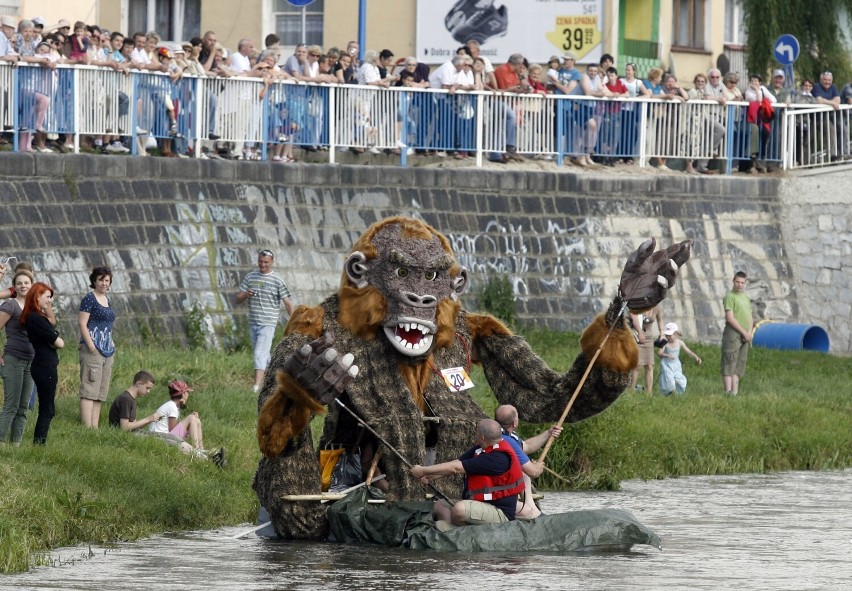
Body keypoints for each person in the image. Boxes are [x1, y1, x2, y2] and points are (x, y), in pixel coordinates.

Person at [410, 419, 525, 529]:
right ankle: (451, 533)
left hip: (499, 512)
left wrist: (423, 470)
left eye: (476, 433)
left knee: (459, 509)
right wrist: (431, 476)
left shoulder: (498, 459)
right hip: (481, 504)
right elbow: (456, 463)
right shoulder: (481, 448)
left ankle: (458, 531)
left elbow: (456, 469)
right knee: (440, 505)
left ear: (482, 437)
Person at [236, 249, 294, 393]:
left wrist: (294, 320)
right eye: (260, 261)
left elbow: (287, 302)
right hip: (253, 323)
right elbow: (237, 299)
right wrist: (245, 294)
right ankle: (279, 379)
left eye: (266, 262)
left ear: (272, 262)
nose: (262, 265)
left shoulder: (277, 280)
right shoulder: (250, 277)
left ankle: (256, 387)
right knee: (265, 356)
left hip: (268, 323)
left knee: (259, 354)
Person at [494, 404, 563, 519]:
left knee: (523, 474)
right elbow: (533, 472)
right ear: (514, 423)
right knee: (525, 472)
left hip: (498, 487)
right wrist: (537, 467)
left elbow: (527, 446)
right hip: (498, 494)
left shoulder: (502, 435)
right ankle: (534, 513)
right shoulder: (507, 441)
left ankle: (533, 509)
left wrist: (548, 433)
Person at [21, 282, 64, 445]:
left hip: (42, 365)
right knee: (47, 409)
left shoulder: (34, 317)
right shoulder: (36, 318)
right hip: (45, 367)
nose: (49, 301)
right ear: (37, 297)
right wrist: (56, 338)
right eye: (47, 297)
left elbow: (52, 337)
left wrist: (54, 337)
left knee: (47, 408)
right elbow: (59, 343)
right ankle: (38, 444)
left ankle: (39, 443)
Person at [148, 380, 225, 466]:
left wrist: (188, 426)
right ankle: (198, 451)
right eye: (187, 392)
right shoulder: (172, 406)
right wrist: (188, 426)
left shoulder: (172, 405)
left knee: (196, 420)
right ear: (183, 394)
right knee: (192, 418)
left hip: (163, 435)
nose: (188, 395)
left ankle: (201, 450)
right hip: (162, 437)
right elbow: (172, 430)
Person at [78, 265, 116, 428]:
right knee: (89, 388)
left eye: (107, 280)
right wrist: (91, 346)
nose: (104, 283)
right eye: (101, 280)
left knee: (101, 390)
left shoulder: (107, 300)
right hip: (92, 348)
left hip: (108, 349)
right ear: (94, 280)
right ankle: (87, 427)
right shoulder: (89, 299)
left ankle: (95, 426)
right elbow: (82, 323)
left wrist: (112, 342)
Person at [0, 268, 35, 446]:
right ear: (14, 287)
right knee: (11, 405)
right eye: (19, 283)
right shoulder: (10, 306)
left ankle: (16, 445)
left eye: (26, 283)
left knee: (23, 407)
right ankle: (1, 441)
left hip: (31, 361)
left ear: (32, 285)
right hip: (13, 359)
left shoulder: (35, 306)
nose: (23, 286)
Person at [722, 271, 753, 396]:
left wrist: (749, 332)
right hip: (733, 334)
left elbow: (750, 317)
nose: (739, 285)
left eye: (742, 283)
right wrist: (743, 332)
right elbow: (730, 318)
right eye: (737, 282)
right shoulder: (730, 296)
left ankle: (735, 392)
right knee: (729, 362)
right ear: (733, 281)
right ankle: (727, 392)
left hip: (746, 335)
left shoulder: (745, 298)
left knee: (740, 363)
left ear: (745, 283)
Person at [658, 322, 702, 396]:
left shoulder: (679, 343)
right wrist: (667, 355)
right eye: (666, 335)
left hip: (676, 365)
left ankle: (678, 393)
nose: (668, 337)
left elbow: (689, 352)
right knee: (669, 381)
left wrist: (696, 357)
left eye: (670, 335)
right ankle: (667, 393)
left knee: (680, 380)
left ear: (675, 334)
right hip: (667, 365)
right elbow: (659, 353)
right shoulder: (665, 343)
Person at [630, 306, 663, 392]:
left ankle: (649, 392)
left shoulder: (657, 308)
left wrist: (662, 333)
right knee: (637, 365)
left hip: (649, 339)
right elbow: (633, 317)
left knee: (649, 365)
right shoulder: (640, 305)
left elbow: (660, 320)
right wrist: (640, 332)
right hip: (638, 337)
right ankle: (631, 389)